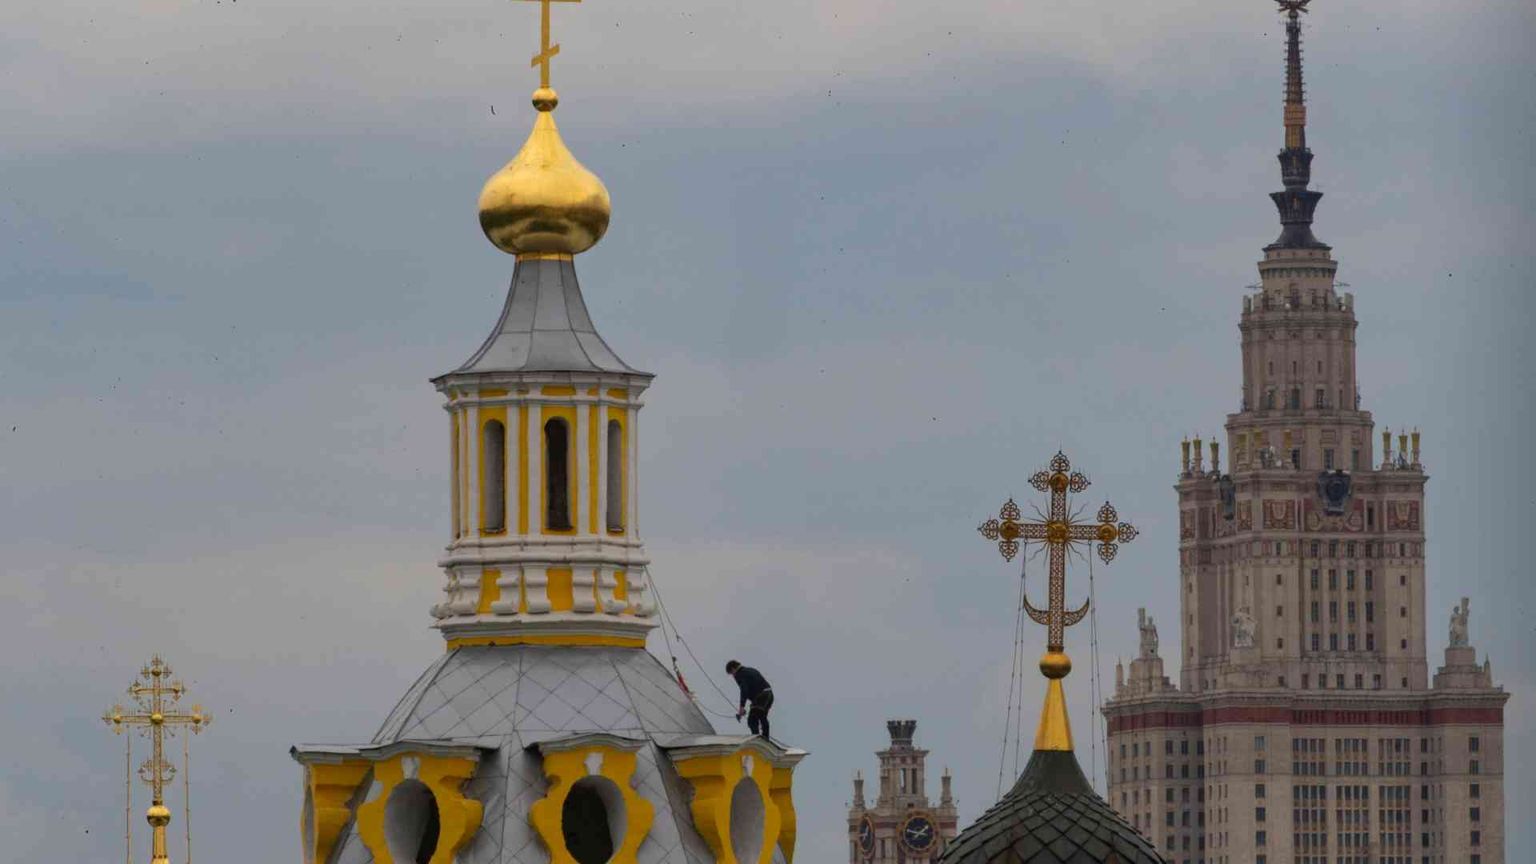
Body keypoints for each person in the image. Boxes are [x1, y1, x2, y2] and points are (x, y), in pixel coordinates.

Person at [726, 660, 773, 740]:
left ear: (733, 669)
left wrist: (742, 707)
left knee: (752, 720)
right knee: (762, 716)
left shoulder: (740, 674)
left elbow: (744, 690)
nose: (733, 676)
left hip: (761, 696)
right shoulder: (750, 670)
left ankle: (757, 740)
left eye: (732, 673)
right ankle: (765, 738)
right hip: (769, 695)